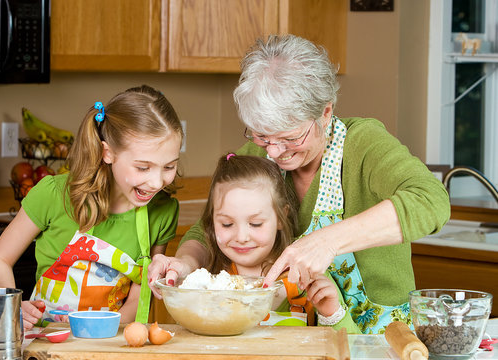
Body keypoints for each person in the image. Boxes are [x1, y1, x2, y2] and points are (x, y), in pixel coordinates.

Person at [148, 34, 451, 334]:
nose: (274, 152)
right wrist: (186, 263)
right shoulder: (258, 156)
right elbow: (208, 226)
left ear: (325, 113)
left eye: (291, 137)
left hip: (382, 337)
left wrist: (327, 242)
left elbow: (431, 201)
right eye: (262, 135)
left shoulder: (364, 146)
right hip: (306, 337)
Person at [0, 85, 183, 330]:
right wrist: (12, 308)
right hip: (45, 342)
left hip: (110, 341)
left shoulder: (162, 211)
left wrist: (96, 336)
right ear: (107, 153)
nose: (157, 182)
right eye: (143, 167)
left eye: (169, 167)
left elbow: (137, 298)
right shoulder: (54, 194)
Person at [156, 153, 360, 331]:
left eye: (255, 223)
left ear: (281, 218)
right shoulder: (207, 281)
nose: (242, 236)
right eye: (227, 224)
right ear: (211, 221)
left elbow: (349, 348)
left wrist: (331, 313)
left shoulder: (306, 275)